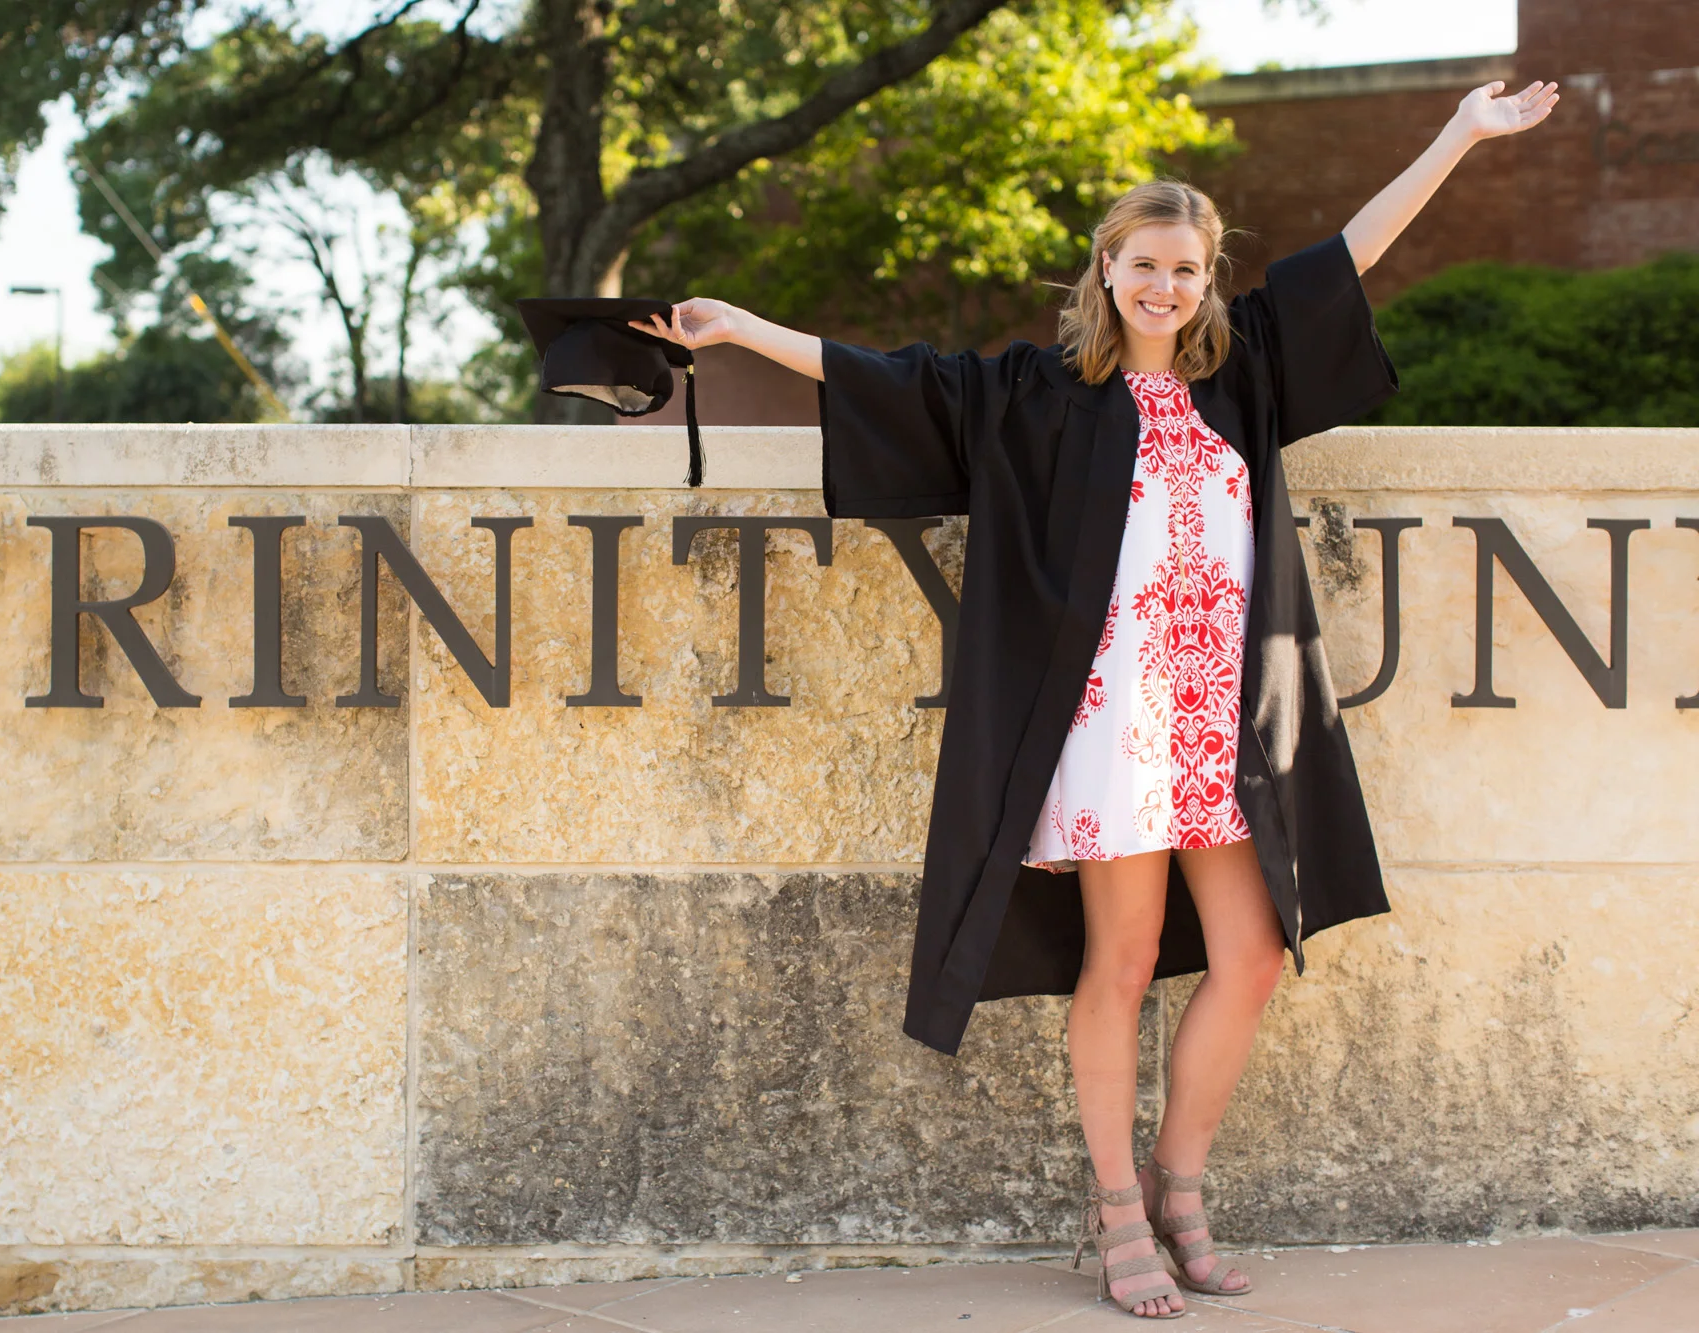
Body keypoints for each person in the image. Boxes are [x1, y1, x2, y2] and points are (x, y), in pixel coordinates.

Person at [636, 77, 1560, 1319]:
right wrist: (743, 328)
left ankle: (1180, 1184)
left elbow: (1350, 255)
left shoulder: (1242, 376)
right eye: (1142, 265)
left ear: (1206, 278)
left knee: (1250, 956)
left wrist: (1458, 134)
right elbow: (893, 381)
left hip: (1225, 723)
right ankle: (1118, 1209)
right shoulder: (1038, 393)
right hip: (1116, 724)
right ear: (1105, 267)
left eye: (1184, 269)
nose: (1162, 287)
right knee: (1117, 960)